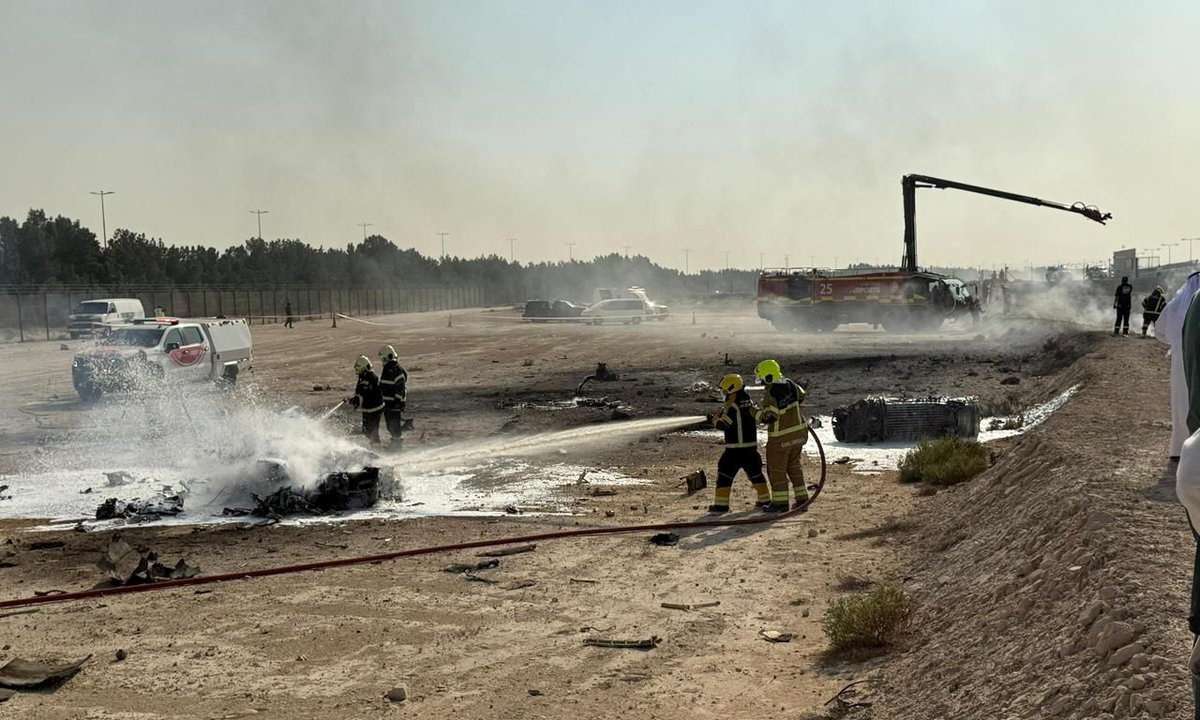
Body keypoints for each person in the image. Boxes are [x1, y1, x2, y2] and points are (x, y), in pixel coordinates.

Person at [706, 373, 770, 513]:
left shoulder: (733, 406)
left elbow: (724, 425)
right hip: (750, 449)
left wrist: (714, 420)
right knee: (756, 474)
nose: (723, 393)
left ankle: (721, 506)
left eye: (724, 390)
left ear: (731, 389)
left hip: (735, 450)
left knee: (724, 475)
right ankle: (765, 500)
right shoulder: (747, 401)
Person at [755, 359, 810, 513]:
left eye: (762, 380)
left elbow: (769, 417)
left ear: (768, 377)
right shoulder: (791, 384)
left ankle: (780, 503)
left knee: (776, 470)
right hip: (799, 435)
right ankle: (802, 499)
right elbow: (801, 396)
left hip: (780, 439)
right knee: (794, 468)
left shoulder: (771, 392)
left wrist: (755, 412)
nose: (762, 384)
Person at [1157, 272, 1200, 459]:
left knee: (1182, 403)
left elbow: (1160, 331)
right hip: (1192, 360)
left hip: (1180, 361)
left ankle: (1181, 448)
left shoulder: (1178, 304)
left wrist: (1176, 342)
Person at [346, 355, 384, 445]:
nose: (356, 370)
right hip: (372, 408)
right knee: (368, 431)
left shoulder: (368, 379)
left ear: (363, 368)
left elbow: (361, 396)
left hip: (373, 409)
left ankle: (377, 448)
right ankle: (376, 445)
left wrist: (350, 401)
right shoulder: (366, 377)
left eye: (358, 368)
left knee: (371, 432)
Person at [378, 345, 408, 449]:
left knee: (394, 425)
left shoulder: (396, 369)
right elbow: (383, 385)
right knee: (390, 425)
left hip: (394, 404)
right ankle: (395, 443)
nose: (382, 361)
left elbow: (400, 387)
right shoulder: (387, 369)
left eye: (383, 358)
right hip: (387, 403)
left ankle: (397, 446)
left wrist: (397, 401)